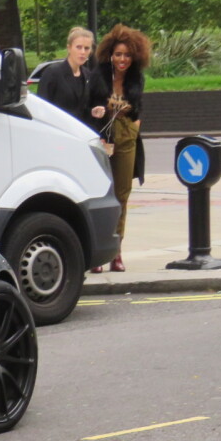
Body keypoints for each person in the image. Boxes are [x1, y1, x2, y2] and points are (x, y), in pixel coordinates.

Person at [89, 23, 151, 273]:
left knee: (122, 195)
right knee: (100, 192)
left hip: (126, 138)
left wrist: (135, 126)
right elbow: (88, 105)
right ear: (109, 54)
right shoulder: (99, 75)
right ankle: (97, 253)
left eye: (126, 55)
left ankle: (117, 251)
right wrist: (96, 113)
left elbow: (138, 108)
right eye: (118, 54)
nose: (122, 59)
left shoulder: (136, 78)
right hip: (103, 138)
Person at [37, 27, 97, 126]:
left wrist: (91, 112)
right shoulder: (53, 73)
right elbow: (42, 107)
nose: (83, 52)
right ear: (69, 48)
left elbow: (80, 109)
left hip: (79, 132)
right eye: (78, 47)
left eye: (86, 48)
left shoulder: (87, 75)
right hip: (57, 131)